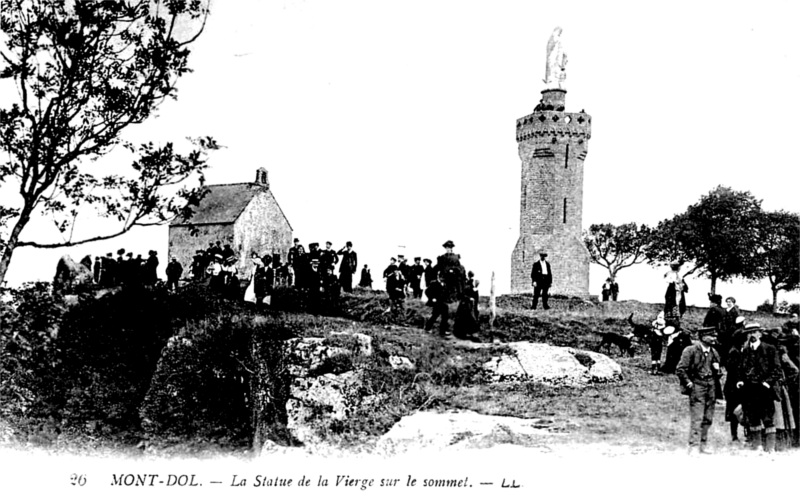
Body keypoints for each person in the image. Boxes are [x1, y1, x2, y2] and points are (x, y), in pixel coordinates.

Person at [676, 326, 722, 455]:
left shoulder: (714, 352)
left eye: (715, 336)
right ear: (703, 337)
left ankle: (703, 444)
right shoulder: (690, 350)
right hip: (697, 385)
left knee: (708, 417)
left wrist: (717, 370)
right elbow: (680, 369)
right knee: (697, 417)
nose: (714, 338)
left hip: (711, 386)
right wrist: (689, 383)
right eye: (711, 336)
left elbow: (718, 373)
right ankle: (693, 446)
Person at [737, 323, 783, 452]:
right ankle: (757, 446)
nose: (751, 335)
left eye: (754, 332)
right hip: (749, 389)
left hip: (765, 389)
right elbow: (740, 368)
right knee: (753, 417)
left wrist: (767, 383)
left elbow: (777, 370)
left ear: (760, 334)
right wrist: (740, 380)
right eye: (749, 333)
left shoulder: (770, 349)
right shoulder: (745, 350)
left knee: (768, 417)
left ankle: (770, 448)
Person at [424, 272, 451, 338]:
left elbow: (446, 292)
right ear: (439, 277)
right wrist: (432, 298)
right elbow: (427, 291)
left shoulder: (444, 284)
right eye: (441, 277)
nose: (442, 279)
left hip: (443, 302)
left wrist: (447, 298)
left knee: (445, 316)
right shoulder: (434, 283)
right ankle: (427, 328)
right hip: (437, 303)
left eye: (443, 278)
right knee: (435, 316)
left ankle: (443, 331)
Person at [664, 262, 688, 329]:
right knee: (672, 311)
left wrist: (682, 286)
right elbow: (671, 283)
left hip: (678, 295)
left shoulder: (679, 275)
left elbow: (684, 286)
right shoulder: (670, 274)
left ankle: (675, 325)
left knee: (678, 310)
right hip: (673, 296)